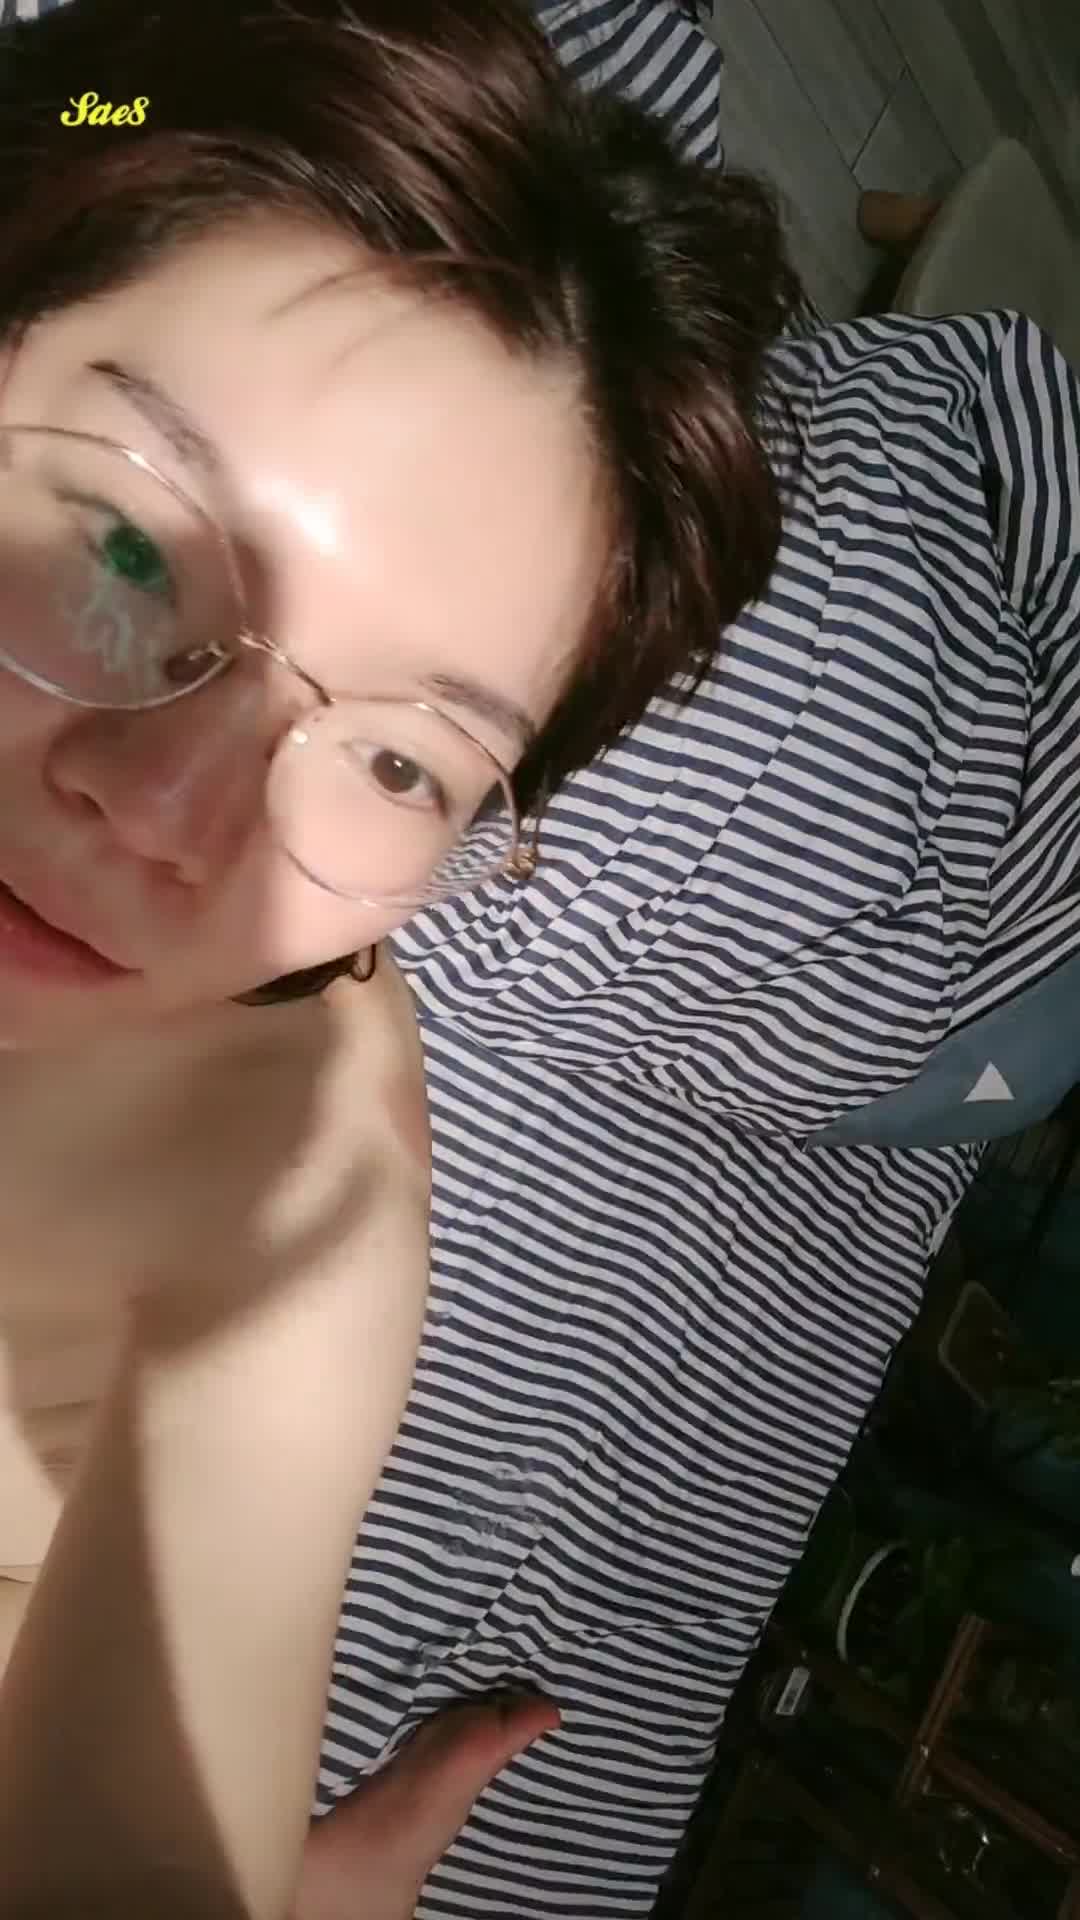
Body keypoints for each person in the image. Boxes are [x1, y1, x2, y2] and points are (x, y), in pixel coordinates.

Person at [0, 0, 797, 1914]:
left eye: (397, 761)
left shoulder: (290, 1205)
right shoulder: (98, 98)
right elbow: (85, 87)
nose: (169, 812)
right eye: (127, 549)